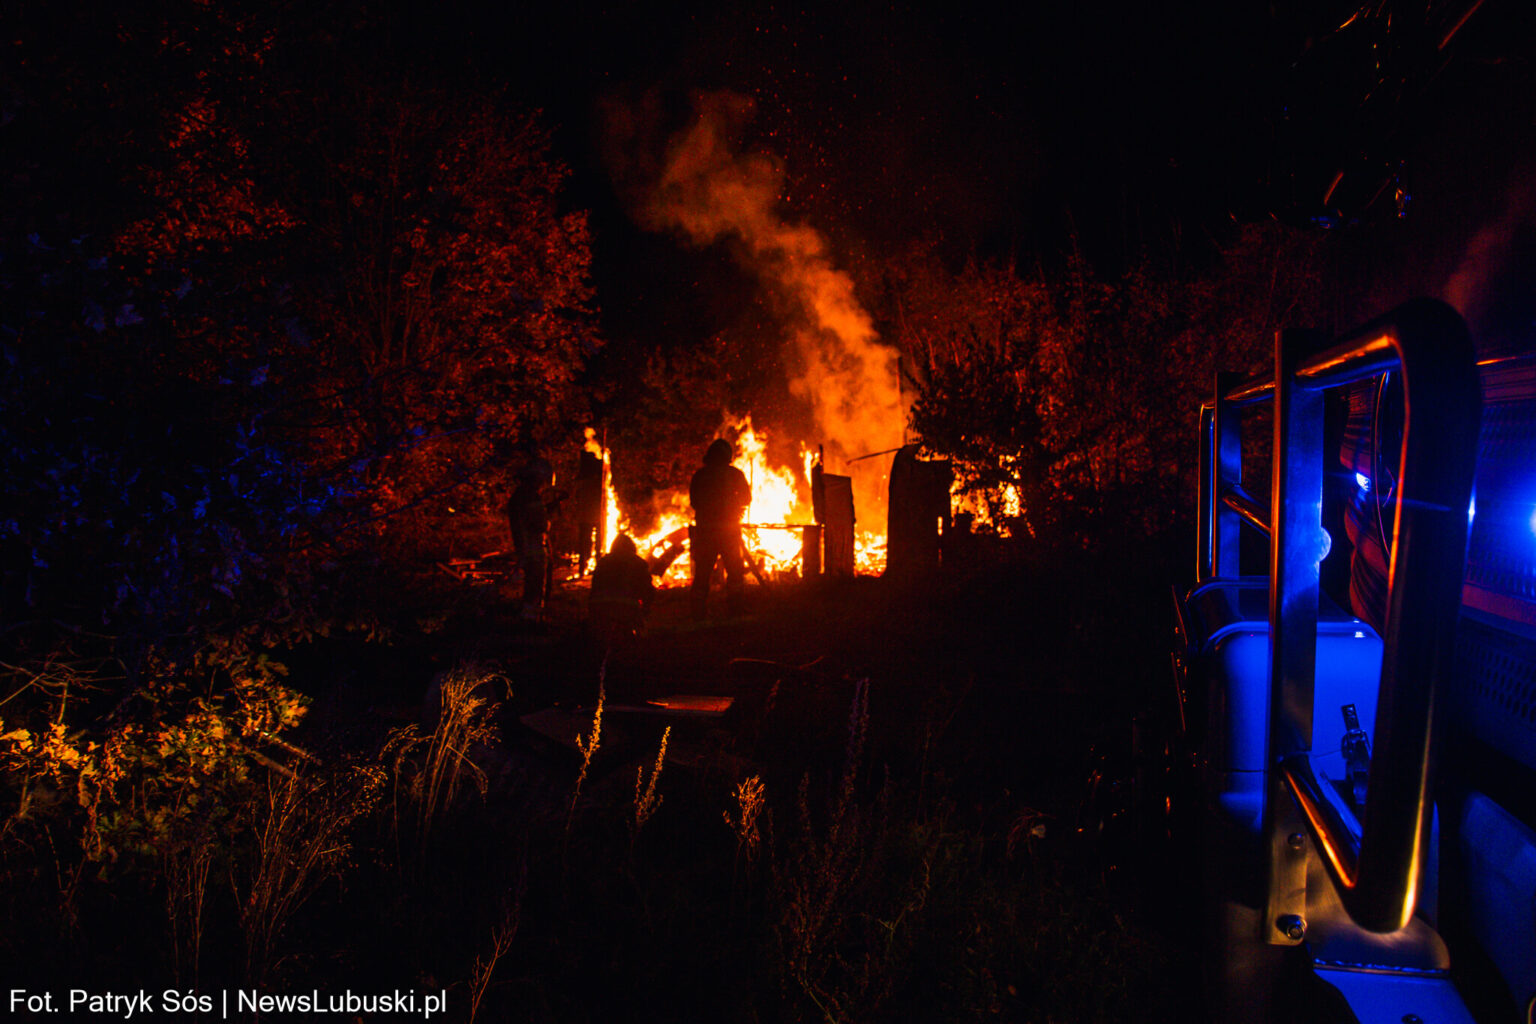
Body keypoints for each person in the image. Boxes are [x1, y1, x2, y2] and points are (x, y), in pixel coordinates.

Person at [688, 438, 751, 619]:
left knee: (703, 572)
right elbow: (747, 498)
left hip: (706, 531)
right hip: (729, 531)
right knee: (734, 572)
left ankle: (698, 612)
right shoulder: (735, 475)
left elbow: (694, 502)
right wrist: (733, 507)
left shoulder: (700, 476)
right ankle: (735, 610)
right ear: (728, 457)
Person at [507, 447, 554, 620]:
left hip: (523, 545)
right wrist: (548, 518)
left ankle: (529, 614)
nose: (543, 487)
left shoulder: (518, 496)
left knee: (530, 584)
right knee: (535, 584)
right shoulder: (531, 497)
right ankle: (531, 618)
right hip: (533, 548)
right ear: (538, 479)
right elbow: (540, 524)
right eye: (543, 482)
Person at [588, 533, 655, 643]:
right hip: (626, 608)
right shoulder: (639, 563)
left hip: (600, 608)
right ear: (632, 548)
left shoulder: (602, 562)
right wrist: (644, 611)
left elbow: (595, 588)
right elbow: (648, 591)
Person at [572, 448, 604, 576]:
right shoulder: (590, 484)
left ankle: (591, 567)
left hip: (591, 516)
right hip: (589, 516)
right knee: (588, 542)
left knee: (592, 542)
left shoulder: (591, 483)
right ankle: (584, 567)